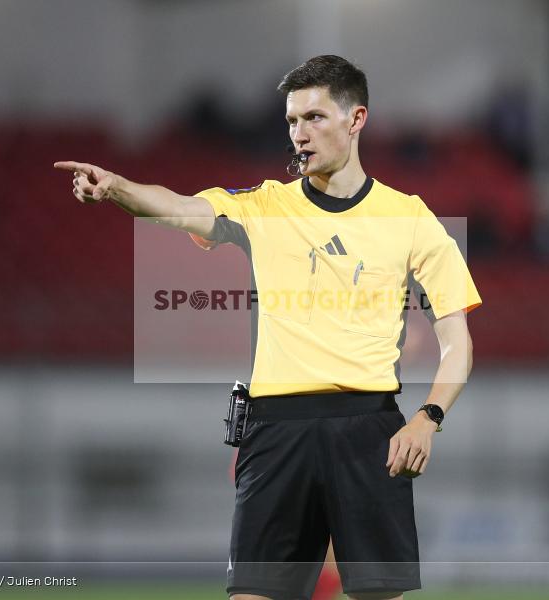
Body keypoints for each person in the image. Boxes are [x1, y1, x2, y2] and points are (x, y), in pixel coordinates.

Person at [55, 55, 480, 600]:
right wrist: (116, 188)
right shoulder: (264, 206)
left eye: (315, 118)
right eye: (292, 121)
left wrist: (427, 419)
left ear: (356, 120)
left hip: (369, 430)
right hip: (275, 431)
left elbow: (457, 345)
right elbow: (181, 209)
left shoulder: (410, 218)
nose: (299, 134)